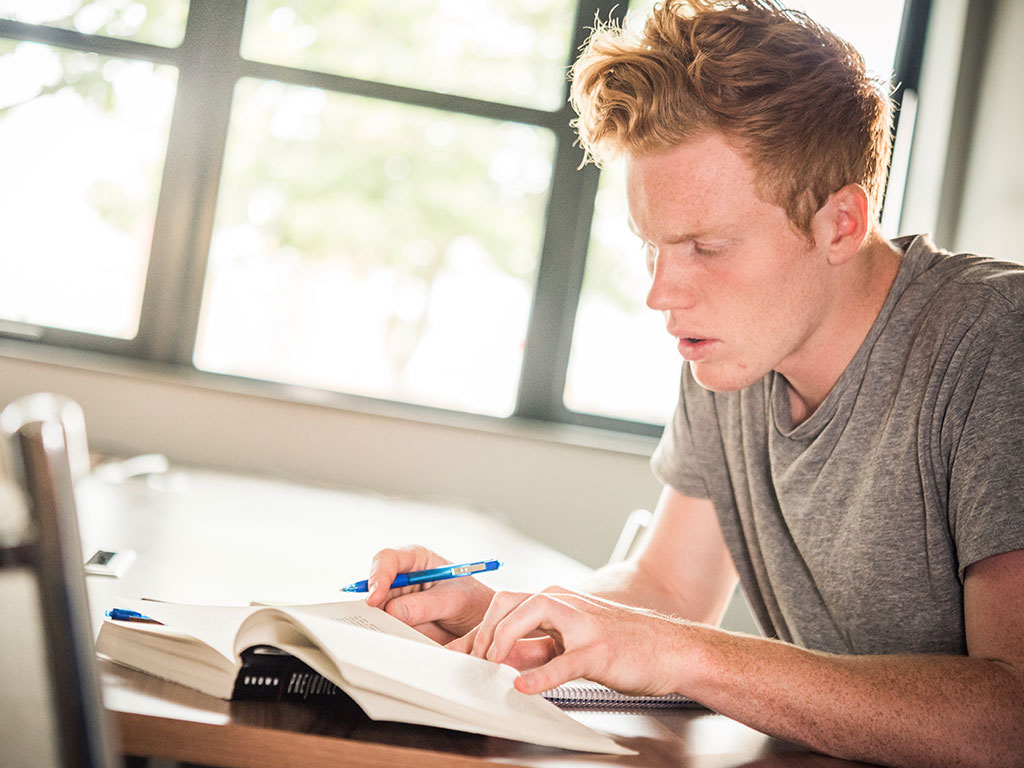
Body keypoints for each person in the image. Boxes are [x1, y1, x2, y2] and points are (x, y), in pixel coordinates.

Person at [363, 2, 1024, 765]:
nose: (661, 293)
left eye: (706, 247)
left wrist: (688, 655)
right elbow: (669, 591)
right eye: (653, 248)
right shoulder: (734, 352)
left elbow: (1012, 714)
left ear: (841, 222)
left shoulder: (996, 343)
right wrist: (513, 619)